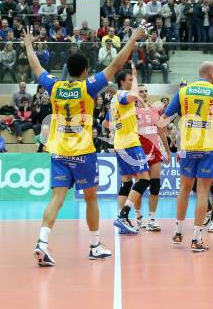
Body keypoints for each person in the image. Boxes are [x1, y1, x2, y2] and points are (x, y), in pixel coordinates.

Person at [25, 23, 146, 267]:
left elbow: (36, 66)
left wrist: (28, 43)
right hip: (83, 152)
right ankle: (94, 245)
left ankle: (42, 242)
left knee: (57, 197)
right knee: (91, 198)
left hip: (58, 151)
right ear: (85, 70)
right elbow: (116, 65)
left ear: (67, 70)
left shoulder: (55, 86)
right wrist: (133, 38)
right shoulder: (87, 86)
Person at [159, 61, 213, 252]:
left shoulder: (184, 91)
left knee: (184, 189)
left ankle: (178, 231)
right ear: (211, 73)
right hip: (209, 148)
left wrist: (172, 144)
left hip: (187, 148)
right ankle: (196, 238)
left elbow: (162, 122)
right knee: (202, 192)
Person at [108, 68, 151, 235]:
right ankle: (123, 215)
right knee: (144, 180)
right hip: (130, 143)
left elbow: (107, 123)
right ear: (122, 82)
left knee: (126, 183)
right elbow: (133, 96)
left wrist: (128, 121)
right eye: (129, 80)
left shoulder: (114, 99)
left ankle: (123, 221)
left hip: (120, 142)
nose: (132, 82)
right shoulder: (122, 95)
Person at [133, 84, 171, 231]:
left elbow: (161, 132)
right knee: (140, 186)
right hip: (139, 152)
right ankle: (138, 217)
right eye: (140, 91)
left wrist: (167, 151)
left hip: (155, 151)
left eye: (145, 91)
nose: (143, 93)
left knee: (155, 186)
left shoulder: (154, 111)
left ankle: (152, 219)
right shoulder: (131, 111)